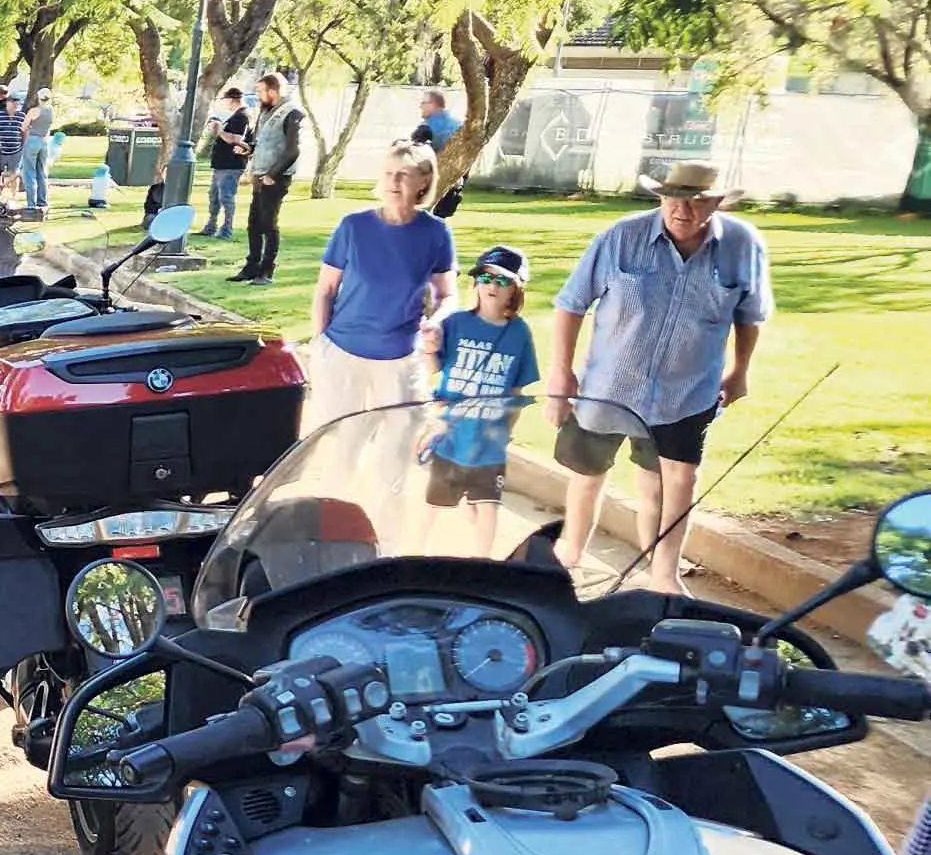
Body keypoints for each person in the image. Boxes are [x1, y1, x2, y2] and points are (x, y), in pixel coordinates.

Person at [547, 160, 771, 592]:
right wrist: (561, 373)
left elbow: (750, 316)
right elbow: (571, 302)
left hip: (685, 393)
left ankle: (663, 576)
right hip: (609, 388)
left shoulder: (742, 246)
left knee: (670, 484)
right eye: (674, 199)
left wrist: (740, 371)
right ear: (660, 197)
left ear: (717, 203)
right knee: (588, 475)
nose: (682, 210)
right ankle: (568, 557)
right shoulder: (621, 237)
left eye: (697, 201)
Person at [306, 140, 458, 430]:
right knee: (340, 445)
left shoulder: (436, 233)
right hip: (341, 351)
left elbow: (448, 295)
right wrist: (320, 345)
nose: (394, 181)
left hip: (400, 357)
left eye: (403, 174)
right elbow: (325, 290)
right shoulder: (353, 226)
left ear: (424, 180)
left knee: (398, 446)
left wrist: (436, 322)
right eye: (388, 173)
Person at [419, 246, 541, 555]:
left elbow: (517, 390)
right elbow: (434, 368)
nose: (491, 285)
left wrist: (507, 430)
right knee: (433, 501)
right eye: (485, 277)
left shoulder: (519, 334)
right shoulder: (456, 323)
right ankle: (414, 550)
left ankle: (482, 560)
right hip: (451, 432)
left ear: (516, 290)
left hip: (489, 439)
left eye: (502, 281)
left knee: (488, 506)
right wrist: (429, 349)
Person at [236, 73, 302, 283]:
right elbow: (262, 143)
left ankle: (267, 270)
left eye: (260, 91)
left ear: (273, 91)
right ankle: (252, 266)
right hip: (259, 175)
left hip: (275, 178)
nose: (258, 95)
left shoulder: (291, 113)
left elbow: (292, 151)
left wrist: (272, 175)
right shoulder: (266, 113)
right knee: (253, 224)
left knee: (268, 224)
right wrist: (247, 149)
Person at [411, 88, 466, 219]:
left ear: (433, 104)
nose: (420, 106)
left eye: (423, 103)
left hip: (429, 186)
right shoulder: (460, 125)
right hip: (454, 184)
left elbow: (414, 154)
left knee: (417, 222)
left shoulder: (427, 127)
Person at [204, 87, 250, 239]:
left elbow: (235, 139)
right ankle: (211, 226)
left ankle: (226, 229)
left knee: (226, 197)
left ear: (231, 99)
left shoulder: (241, 117)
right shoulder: (236, 116)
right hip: (222, 164)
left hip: (231, 164)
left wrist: (218, 131)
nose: (225, 103)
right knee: (214, 196)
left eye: (225, 100)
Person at [19, 89, 56, 216]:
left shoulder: (34, 111)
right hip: (44, 141)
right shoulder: (51, 111)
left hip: (33, 140)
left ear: (39, 98)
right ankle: (42, 201)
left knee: (29, 173)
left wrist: (29, 127)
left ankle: (31, 203)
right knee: (42, 172)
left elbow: (23, 127)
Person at [0, 85, 26, 202]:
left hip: (15, 150)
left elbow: (24, 132)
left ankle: (13, 196)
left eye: (17, 104)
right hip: (0, 150)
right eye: (13, 103)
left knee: (14, 173)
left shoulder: (21, 116)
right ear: (7, 103)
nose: (15, 106)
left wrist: (23, 146)